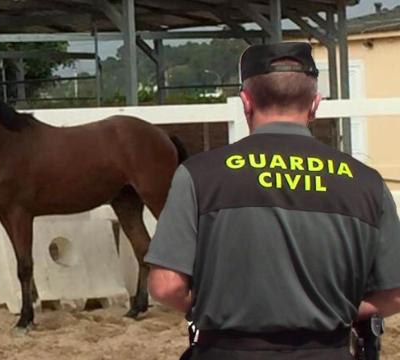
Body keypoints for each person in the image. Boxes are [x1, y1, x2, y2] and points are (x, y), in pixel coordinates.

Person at [144, 42, 400, 360]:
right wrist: (338, 309)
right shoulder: (366, 182)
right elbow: (394, 295)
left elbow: (166, 286)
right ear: (315, 104)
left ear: (246, 102)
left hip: (226, 350)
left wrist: (217, 308)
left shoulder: (199, 175)